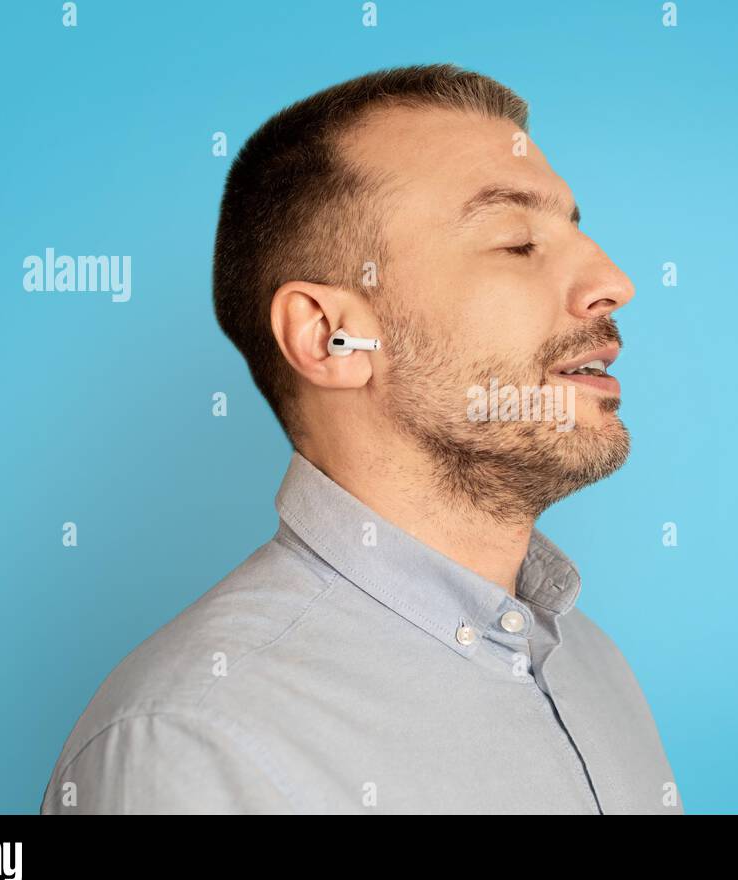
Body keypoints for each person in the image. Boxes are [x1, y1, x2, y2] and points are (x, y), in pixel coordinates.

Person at [42, 64, 679, 814]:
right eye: (516, 241)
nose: (613, 280)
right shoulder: (188, 744)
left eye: (576, 229)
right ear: (329, 337)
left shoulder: (592, 668)